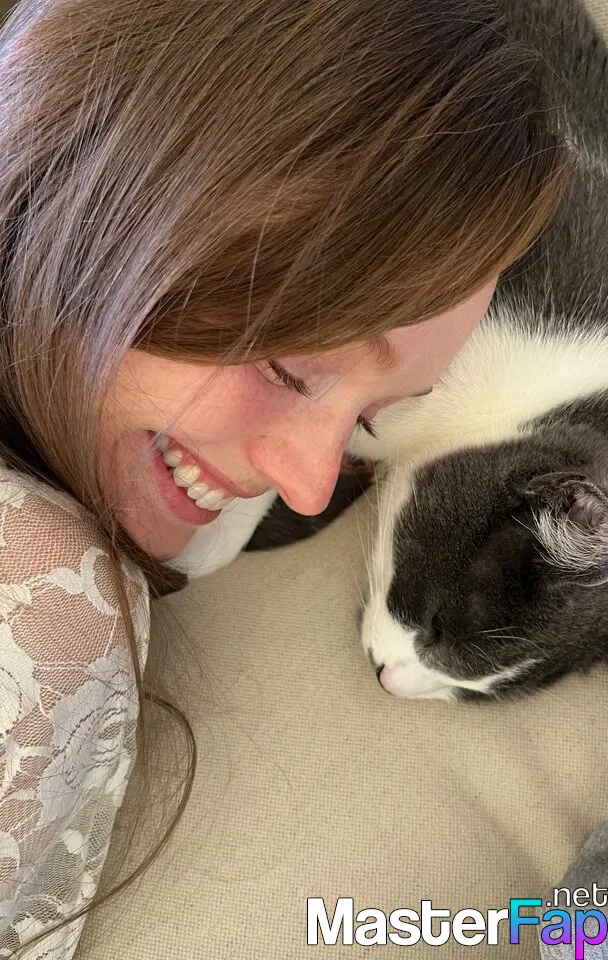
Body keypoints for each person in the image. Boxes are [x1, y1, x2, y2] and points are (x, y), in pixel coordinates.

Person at [0, 0, 570, 956]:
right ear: (100, 187)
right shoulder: (43, 594)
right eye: (291, 370)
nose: (307, 489)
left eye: (368, 419)